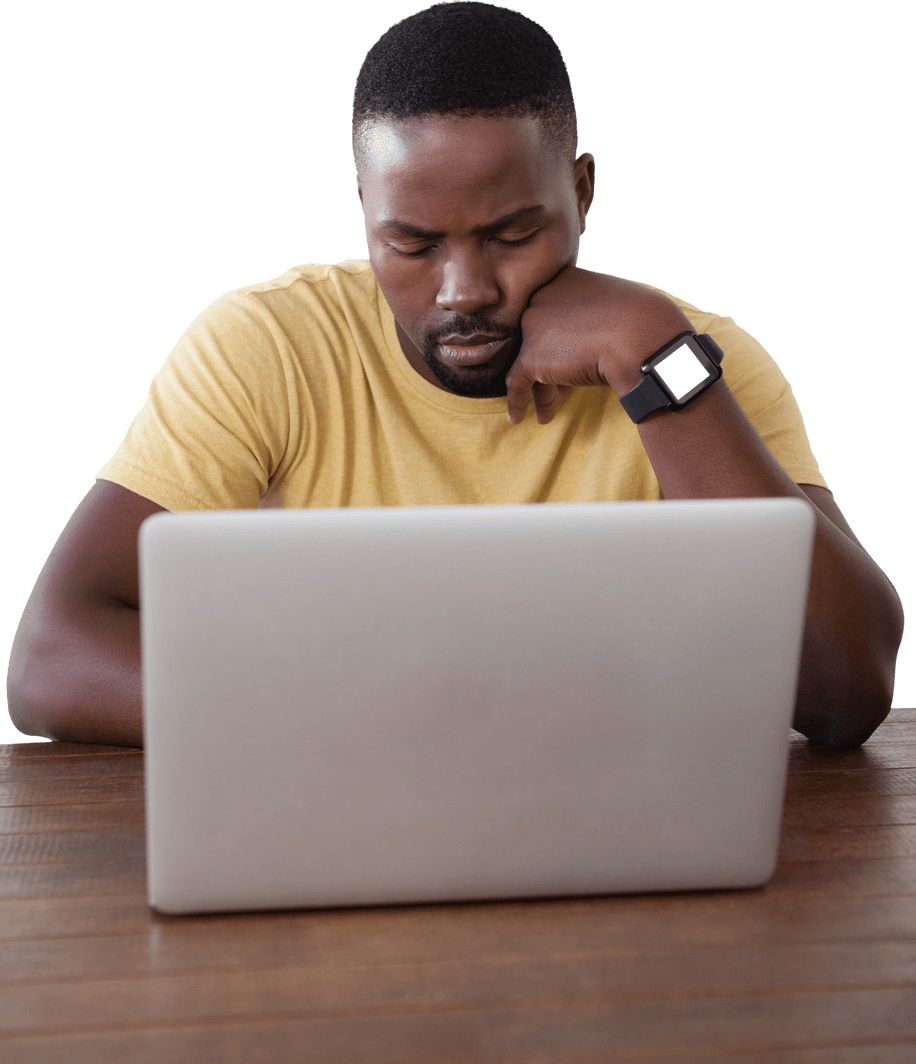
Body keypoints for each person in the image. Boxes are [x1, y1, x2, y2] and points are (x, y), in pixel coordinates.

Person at [7, 1, 904, 750]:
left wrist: (656, 364)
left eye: (513, 235)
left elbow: (846, 689)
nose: (464, 290)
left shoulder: (692, 362)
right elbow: (49, 660)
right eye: (412, 242)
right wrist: (389, 722)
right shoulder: (268, 346)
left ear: (582, 193)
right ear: (364, 206)